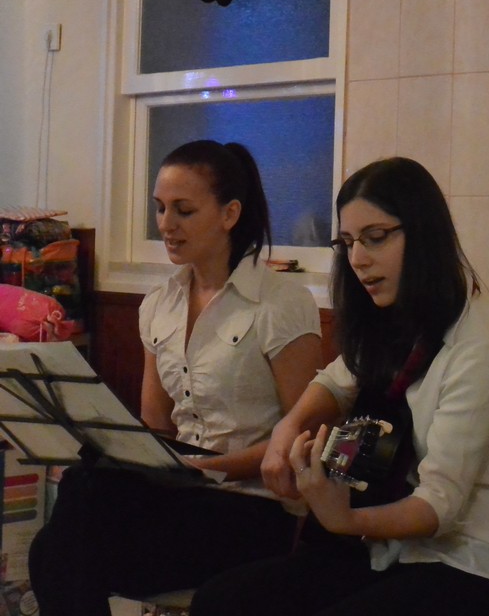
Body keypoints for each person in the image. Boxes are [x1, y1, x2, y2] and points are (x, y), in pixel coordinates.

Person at [190, 157, 489, 616]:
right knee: (221, 601)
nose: (358, 259)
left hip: (480, 565)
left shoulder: (483, 343)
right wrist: (288, 428)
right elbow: (338, 380)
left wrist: (343, 517)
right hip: (390, 551)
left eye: (376, 237)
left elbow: (439, 507)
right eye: (347, 243)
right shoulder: (395, 320)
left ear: (424, 234)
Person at [29, 140, 323, 615]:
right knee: (70, 518)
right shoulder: (158, 304)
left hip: (254, 509)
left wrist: (208, 468)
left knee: (59, 549)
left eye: (184, 210)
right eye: (160, 208)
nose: (166, 224)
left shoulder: (281, 303)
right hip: (180, 496)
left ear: (229, 214)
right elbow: (157, 425)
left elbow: (303, 438)